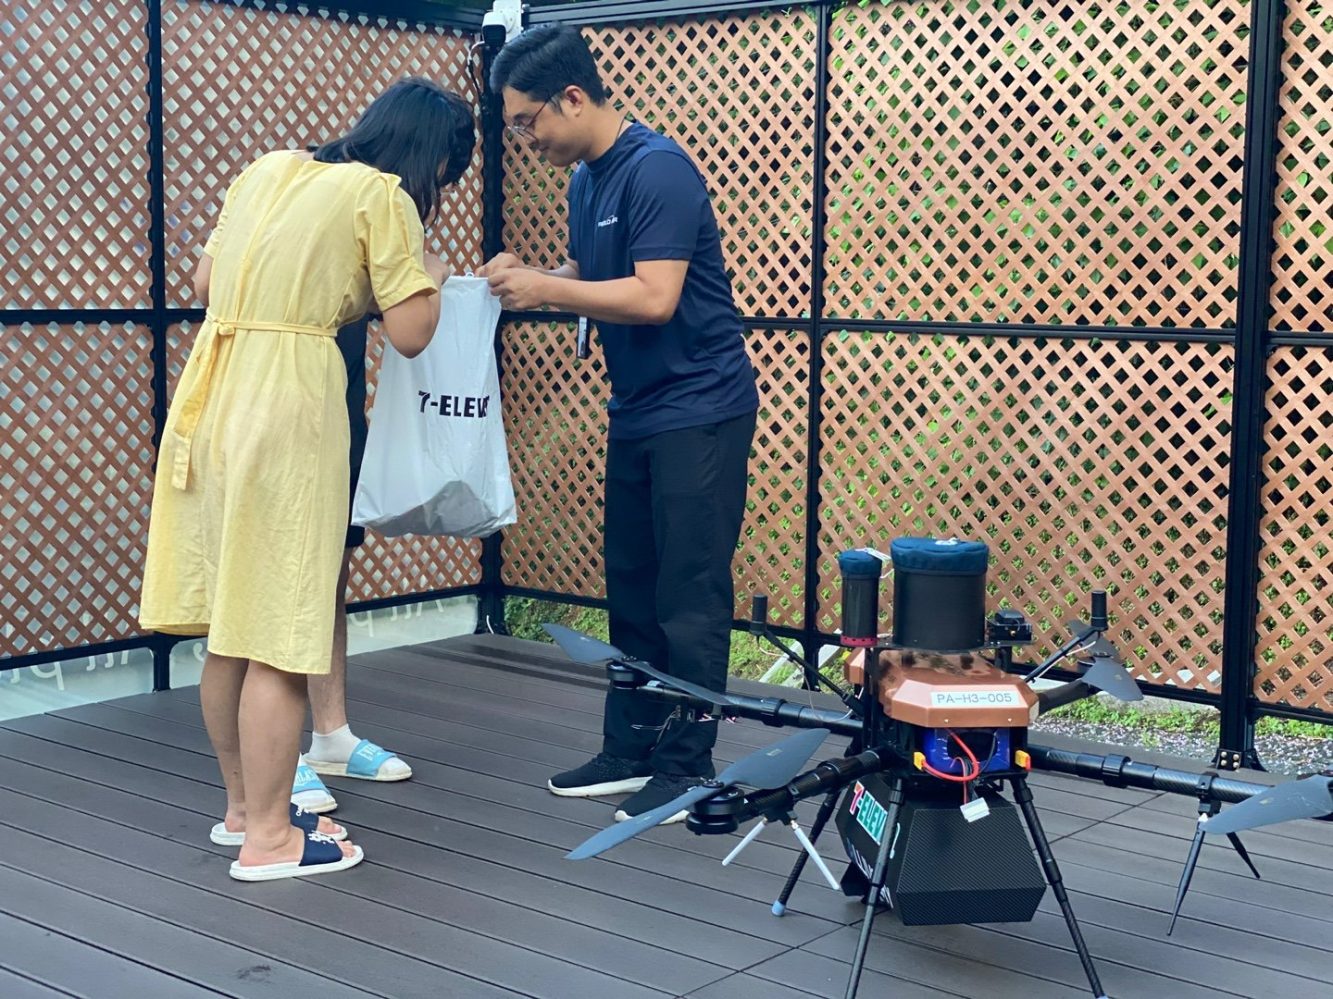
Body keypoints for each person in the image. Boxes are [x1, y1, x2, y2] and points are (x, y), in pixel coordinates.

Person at [140, 78, 475, 880]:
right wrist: (428, 271)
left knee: (232, 624)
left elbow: (204, 286)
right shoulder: (381, 195)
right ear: (431, 161)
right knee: (283, 632)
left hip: (213, 395)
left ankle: (241, 812)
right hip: (290, 407)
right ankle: (271, 840)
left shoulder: (268, 168)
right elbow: (411, 332)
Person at [479, 26, 757, 824]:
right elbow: (590, 274)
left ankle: (687, 764)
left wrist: (547, 289)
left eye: (527, 122)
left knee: (688, 593)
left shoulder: (657, 168)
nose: (525, 139)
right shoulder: (584, 180)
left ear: (572, 97)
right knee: (630, 585)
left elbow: (653, 295)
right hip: (636, 409)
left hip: (700, 409)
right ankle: (630, 747)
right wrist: (533, 276)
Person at [288, 315, 412, 818]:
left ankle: (330, 735)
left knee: (328, 577)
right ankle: (270, 756)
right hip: (278, 406)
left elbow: (397, 305)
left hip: (339, 407)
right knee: (276, 581)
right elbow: (207, 287)